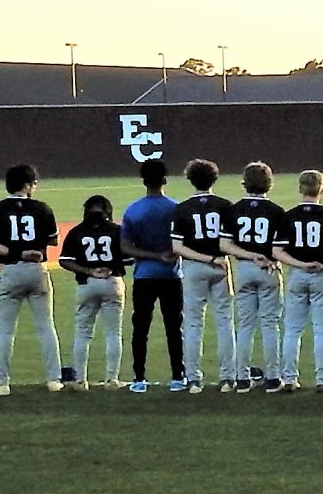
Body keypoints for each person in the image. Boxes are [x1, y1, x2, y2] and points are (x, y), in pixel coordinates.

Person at [0, 164, 65, 396]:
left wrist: (15, 251)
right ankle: (54, 379)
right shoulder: (42, 209)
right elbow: (53, 241)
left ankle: (2, 383)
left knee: (6, 330)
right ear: (27, 185)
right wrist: (30, 249)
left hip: (9, 270)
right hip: (36, 269)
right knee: (46, 326)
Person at [169, 158, 239, 394]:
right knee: (225, 321)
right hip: (221, 265)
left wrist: (203, 258)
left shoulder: (182, 208)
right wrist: (213, 258)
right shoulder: (225, 205)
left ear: (190, 180)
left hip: (192, 267)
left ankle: (193, 379)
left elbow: (177, 247)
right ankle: (228, 378)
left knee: (192, 324)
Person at [121, 159, 186, 393]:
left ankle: (139, 378)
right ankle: (178, 376)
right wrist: (164, 256)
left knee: (140, 328)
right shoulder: (176, 208)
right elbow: (183, 243)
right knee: (174, 327)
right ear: (165, 180)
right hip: (172, 276)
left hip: (144, 277)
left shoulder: (133, 210)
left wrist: (151, 255)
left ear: (143, 181)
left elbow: (126, 248)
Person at [274, 170, 323, 391]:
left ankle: (289, 378)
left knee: (292, 328)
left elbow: (277, 251)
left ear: (300, 188)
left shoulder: (289, 215)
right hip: (322, 273)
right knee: (322, 328)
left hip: (297, 274)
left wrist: (301, 265)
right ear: (321, 188)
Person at [227, 162, 290, 391]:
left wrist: (250, 256)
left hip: (244, 268)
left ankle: (242, 378)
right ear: (269, 183)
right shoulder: (276, 211)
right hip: (269, 268)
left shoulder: (234, 209)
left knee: (245, 325)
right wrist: (263, 257)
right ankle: (273, 378)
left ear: (245, 182)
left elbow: (225, 244)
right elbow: (281, 248)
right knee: (270, 324)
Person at [59, 194, 126, 391]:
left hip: (87, 283)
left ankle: (80, 380)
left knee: (83, 333)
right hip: (112, 281)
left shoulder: (77, 231)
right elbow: (129, 259)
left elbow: (65, 260)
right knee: (114, 333)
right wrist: (110, 268)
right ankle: (112, 379)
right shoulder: (117, 231)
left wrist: (88, 271)